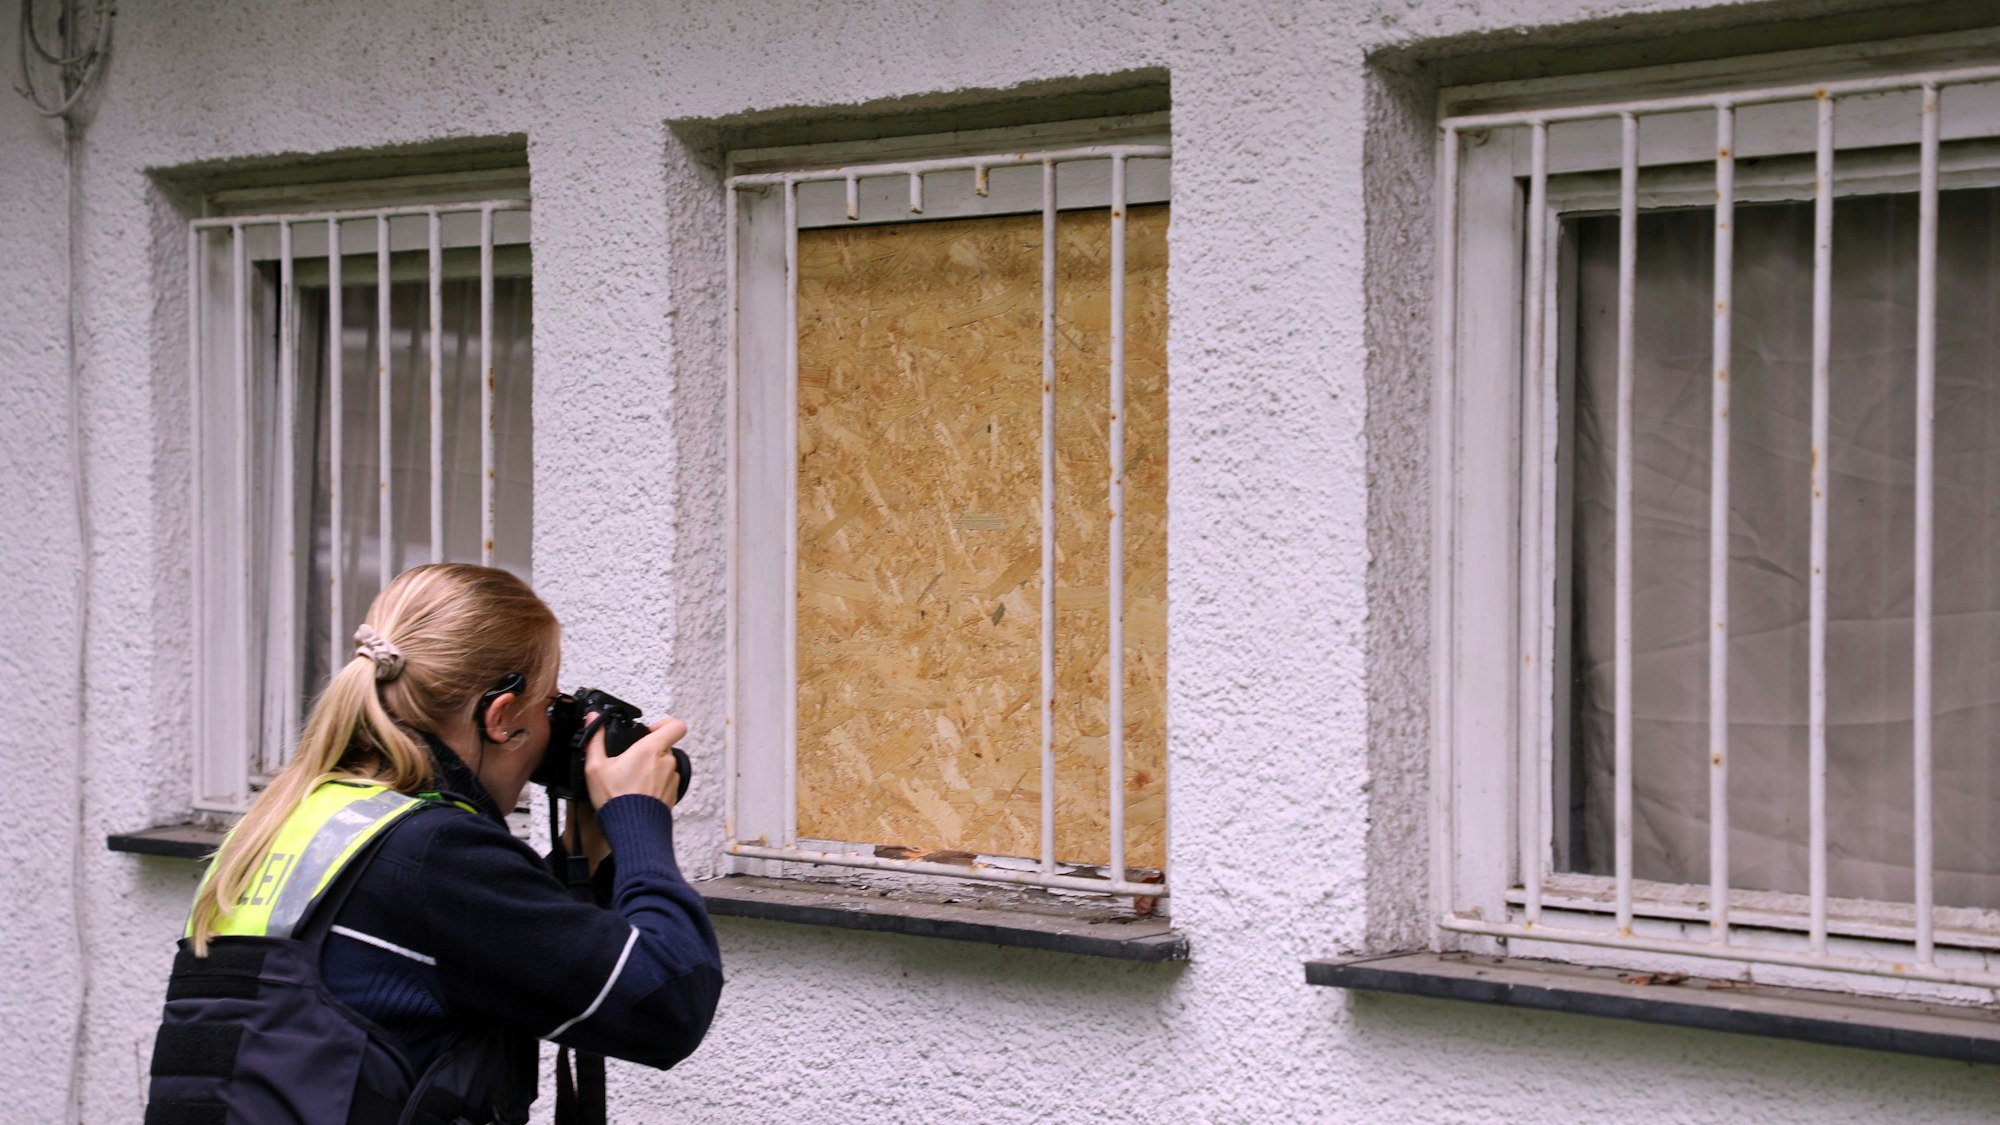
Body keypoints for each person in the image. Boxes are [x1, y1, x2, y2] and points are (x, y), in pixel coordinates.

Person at [145, 564, 723, 1125]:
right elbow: (666, 1005)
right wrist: (638, 816)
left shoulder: (291, 819)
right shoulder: (435, 852)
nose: (553, 729)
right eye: (550, 705)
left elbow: (464, 950)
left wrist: (585, 848)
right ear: (502, 717)